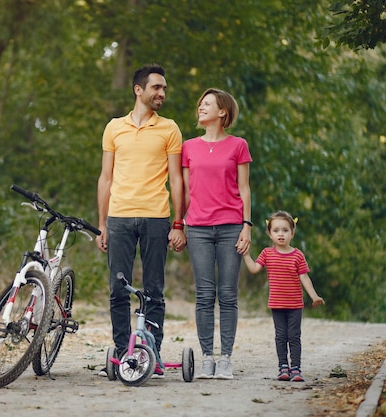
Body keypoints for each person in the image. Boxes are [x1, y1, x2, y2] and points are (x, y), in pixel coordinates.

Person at [96, 63, 186, 378]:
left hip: (156, 217)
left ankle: (152, 353)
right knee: (117, 289)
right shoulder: (114, 128)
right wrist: (102, 223)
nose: (161, 93)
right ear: (139, 90)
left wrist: (179, 223)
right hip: (119, 217)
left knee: (153, 290)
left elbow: (176, 180)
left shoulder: (170, 128)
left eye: (163, 88)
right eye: (156, 88)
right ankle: (124, 355)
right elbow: (105, 178)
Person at [181, 88, 252, 380]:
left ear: (222, 112)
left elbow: (245, 189)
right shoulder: (188, 147)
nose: (201, 107)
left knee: (227, 294)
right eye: (200, 103)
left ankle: (226, 359)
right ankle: (207, 357)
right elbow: (185, 191)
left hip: (231, 226)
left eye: (207, 104)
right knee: (204, 295)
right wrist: (177, 224)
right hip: (197, 228)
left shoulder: (238, 145)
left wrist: (247, 225)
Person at [243, 210, 325, 382]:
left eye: (285, 230)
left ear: (292, 233)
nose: (281, 234)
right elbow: (254, 269)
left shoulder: (297, 255)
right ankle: (283, 367)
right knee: (280, 336)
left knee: (294, 336)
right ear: (270, 233)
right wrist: (245, 255)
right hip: (277, 304)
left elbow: (304, 277)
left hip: (295, 305)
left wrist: (314, 296)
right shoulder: (267, 253)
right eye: (276, 230)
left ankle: (296, 368)